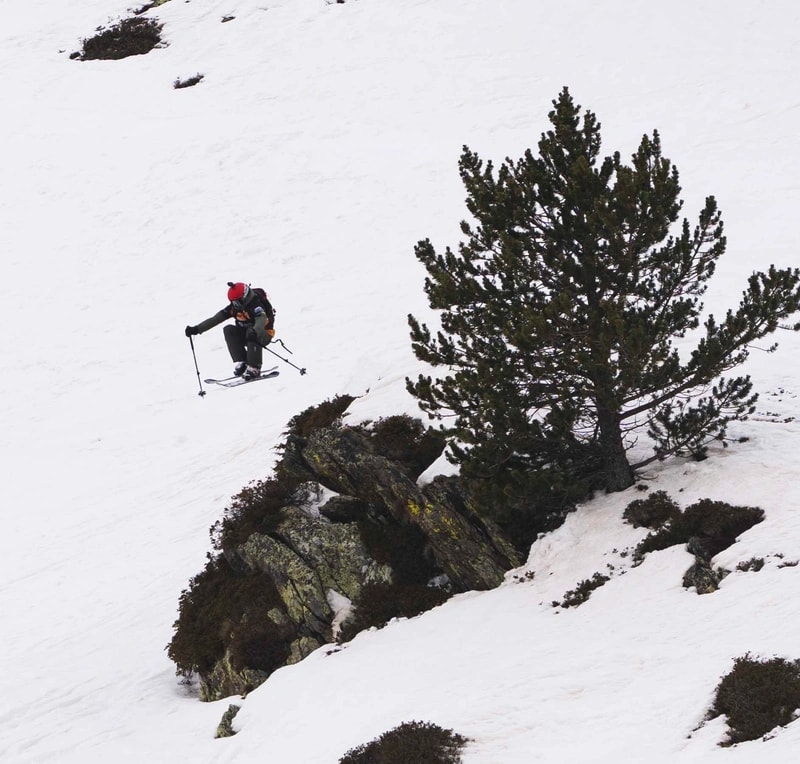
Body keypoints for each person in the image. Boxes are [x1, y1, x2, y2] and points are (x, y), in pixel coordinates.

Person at [185, 282, 275, 380]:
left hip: (263, 334)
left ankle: (254, 367)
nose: (235, 304)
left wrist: (255, 330)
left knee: (251, 331)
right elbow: (216, 319)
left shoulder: (256, 305)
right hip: (247, 334)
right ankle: (244, 361)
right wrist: (197, 329)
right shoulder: (234, 308)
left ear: (245, 297)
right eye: (233, 302)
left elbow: (261, 319)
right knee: (228, 329)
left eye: (237, 302)